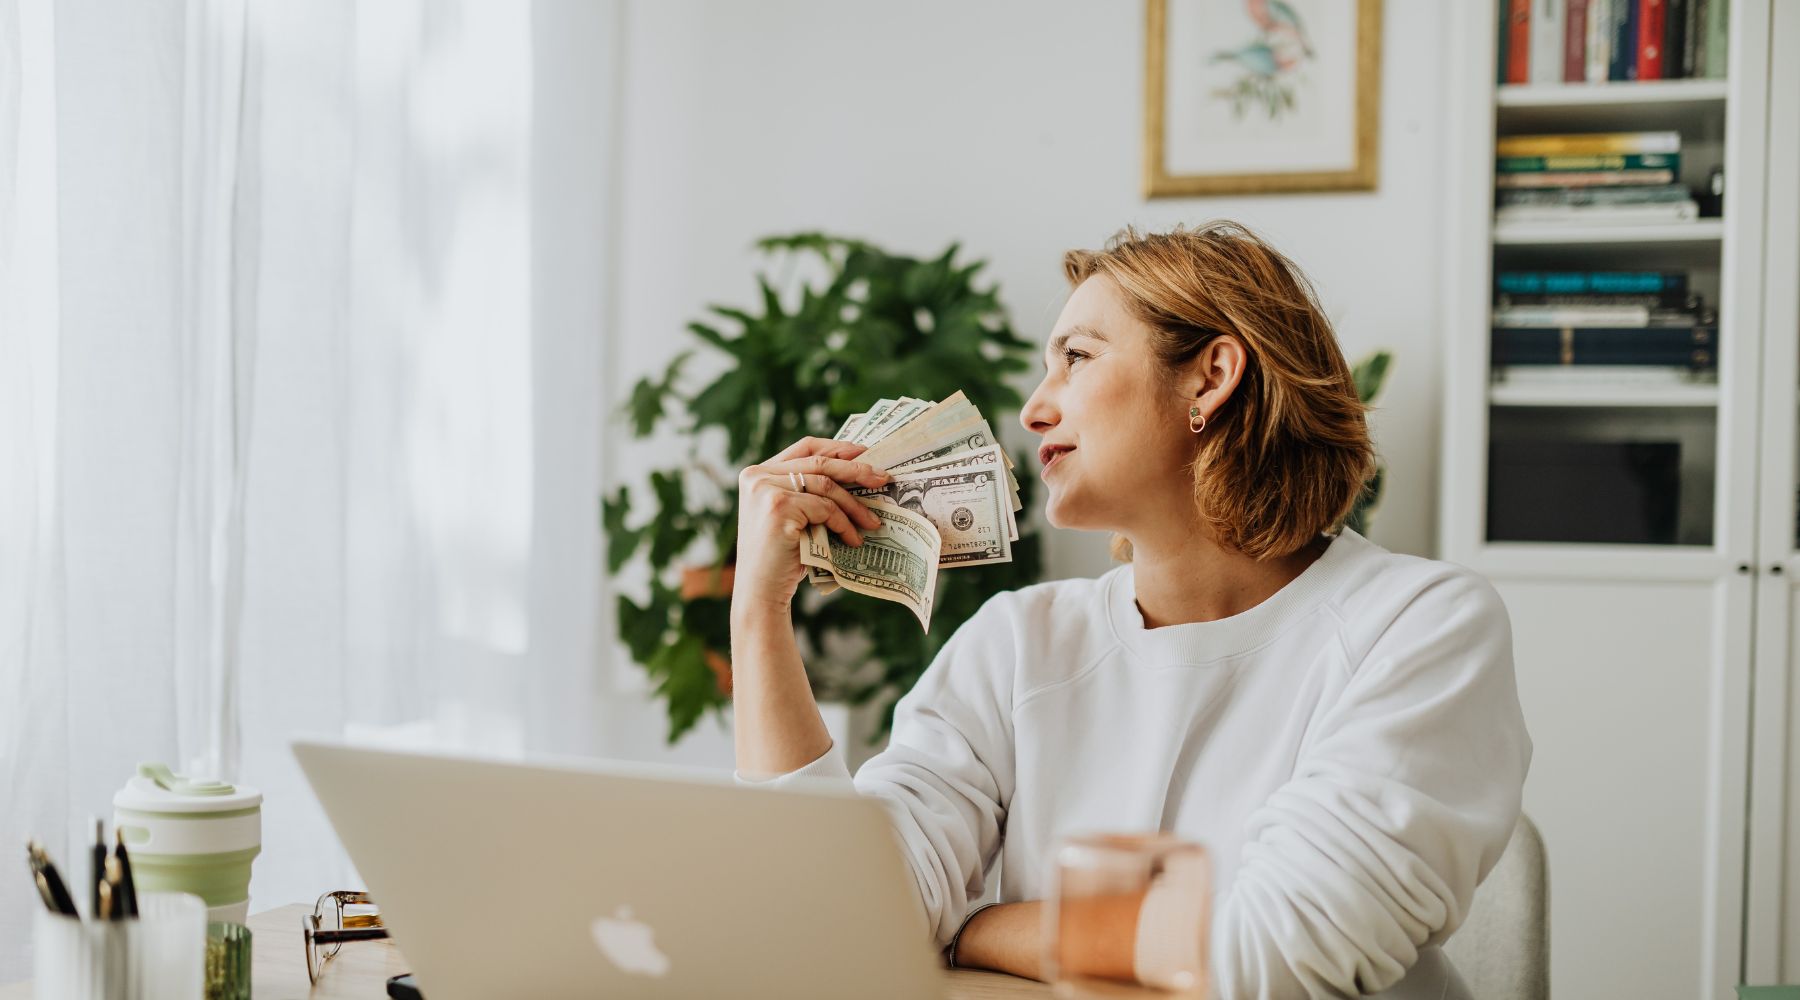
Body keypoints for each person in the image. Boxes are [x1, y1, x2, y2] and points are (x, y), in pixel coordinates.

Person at [728, 222, 1531, 999]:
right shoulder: (1017, 644)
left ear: (1211, 377)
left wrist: (976, 926)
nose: (1033, 410)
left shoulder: (1420, 624)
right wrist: (759, 611)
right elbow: (841, 914)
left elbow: (1267, 959)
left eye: (1076, 357)